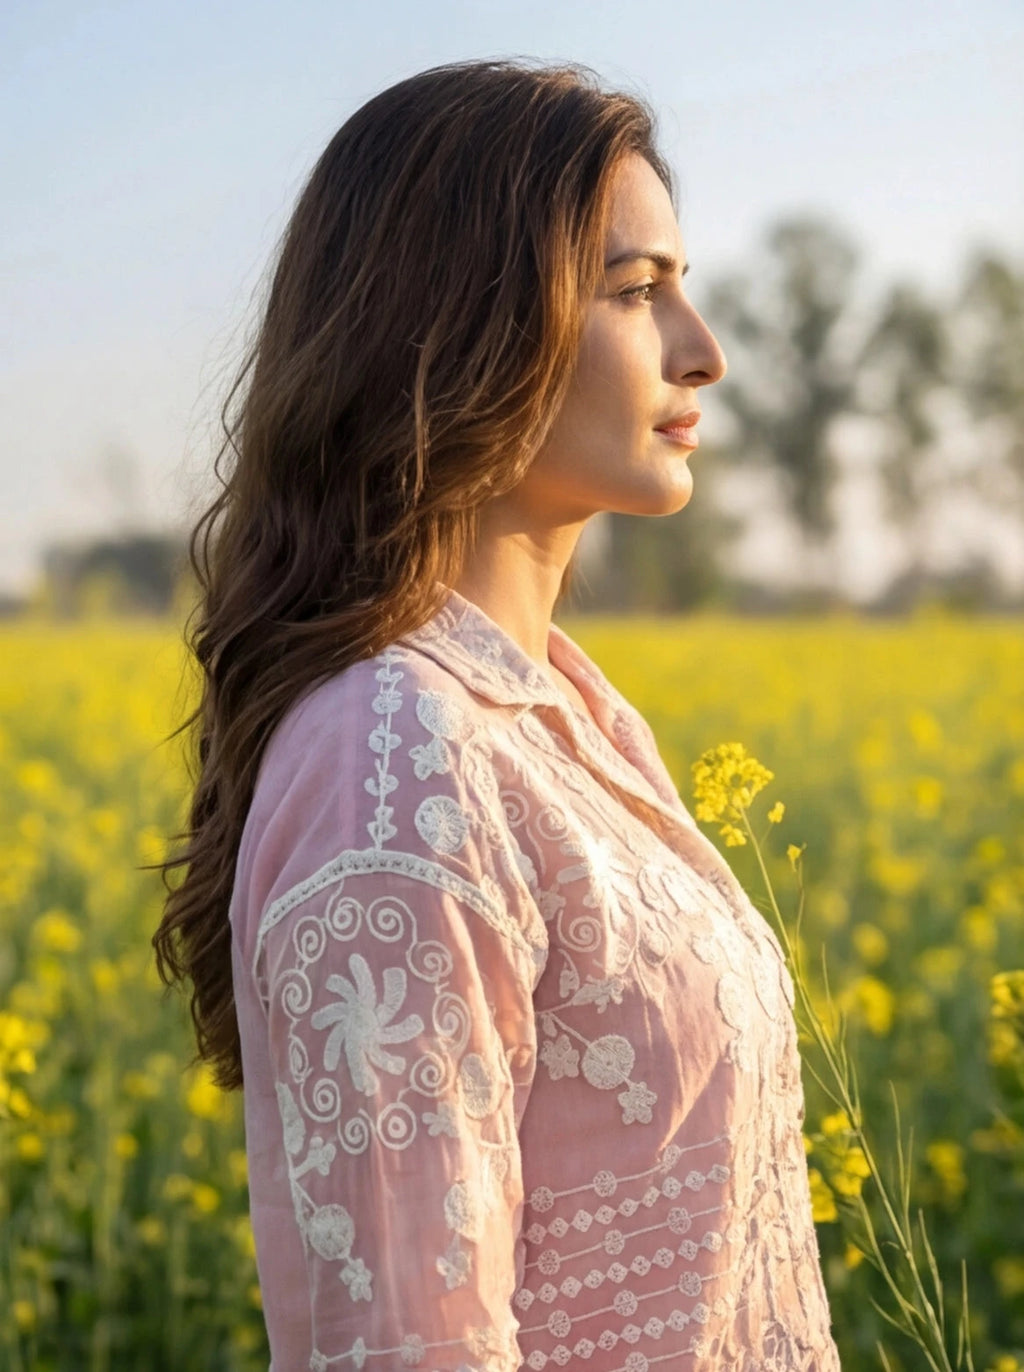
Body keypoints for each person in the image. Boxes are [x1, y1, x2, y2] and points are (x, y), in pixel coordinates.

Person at [154, 60, 841, 1372]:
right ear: (456, 323)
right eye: (640, 292)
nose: (706, 349)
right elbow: (410, 1345)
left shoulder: (558, 717)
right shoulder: (394, 760)